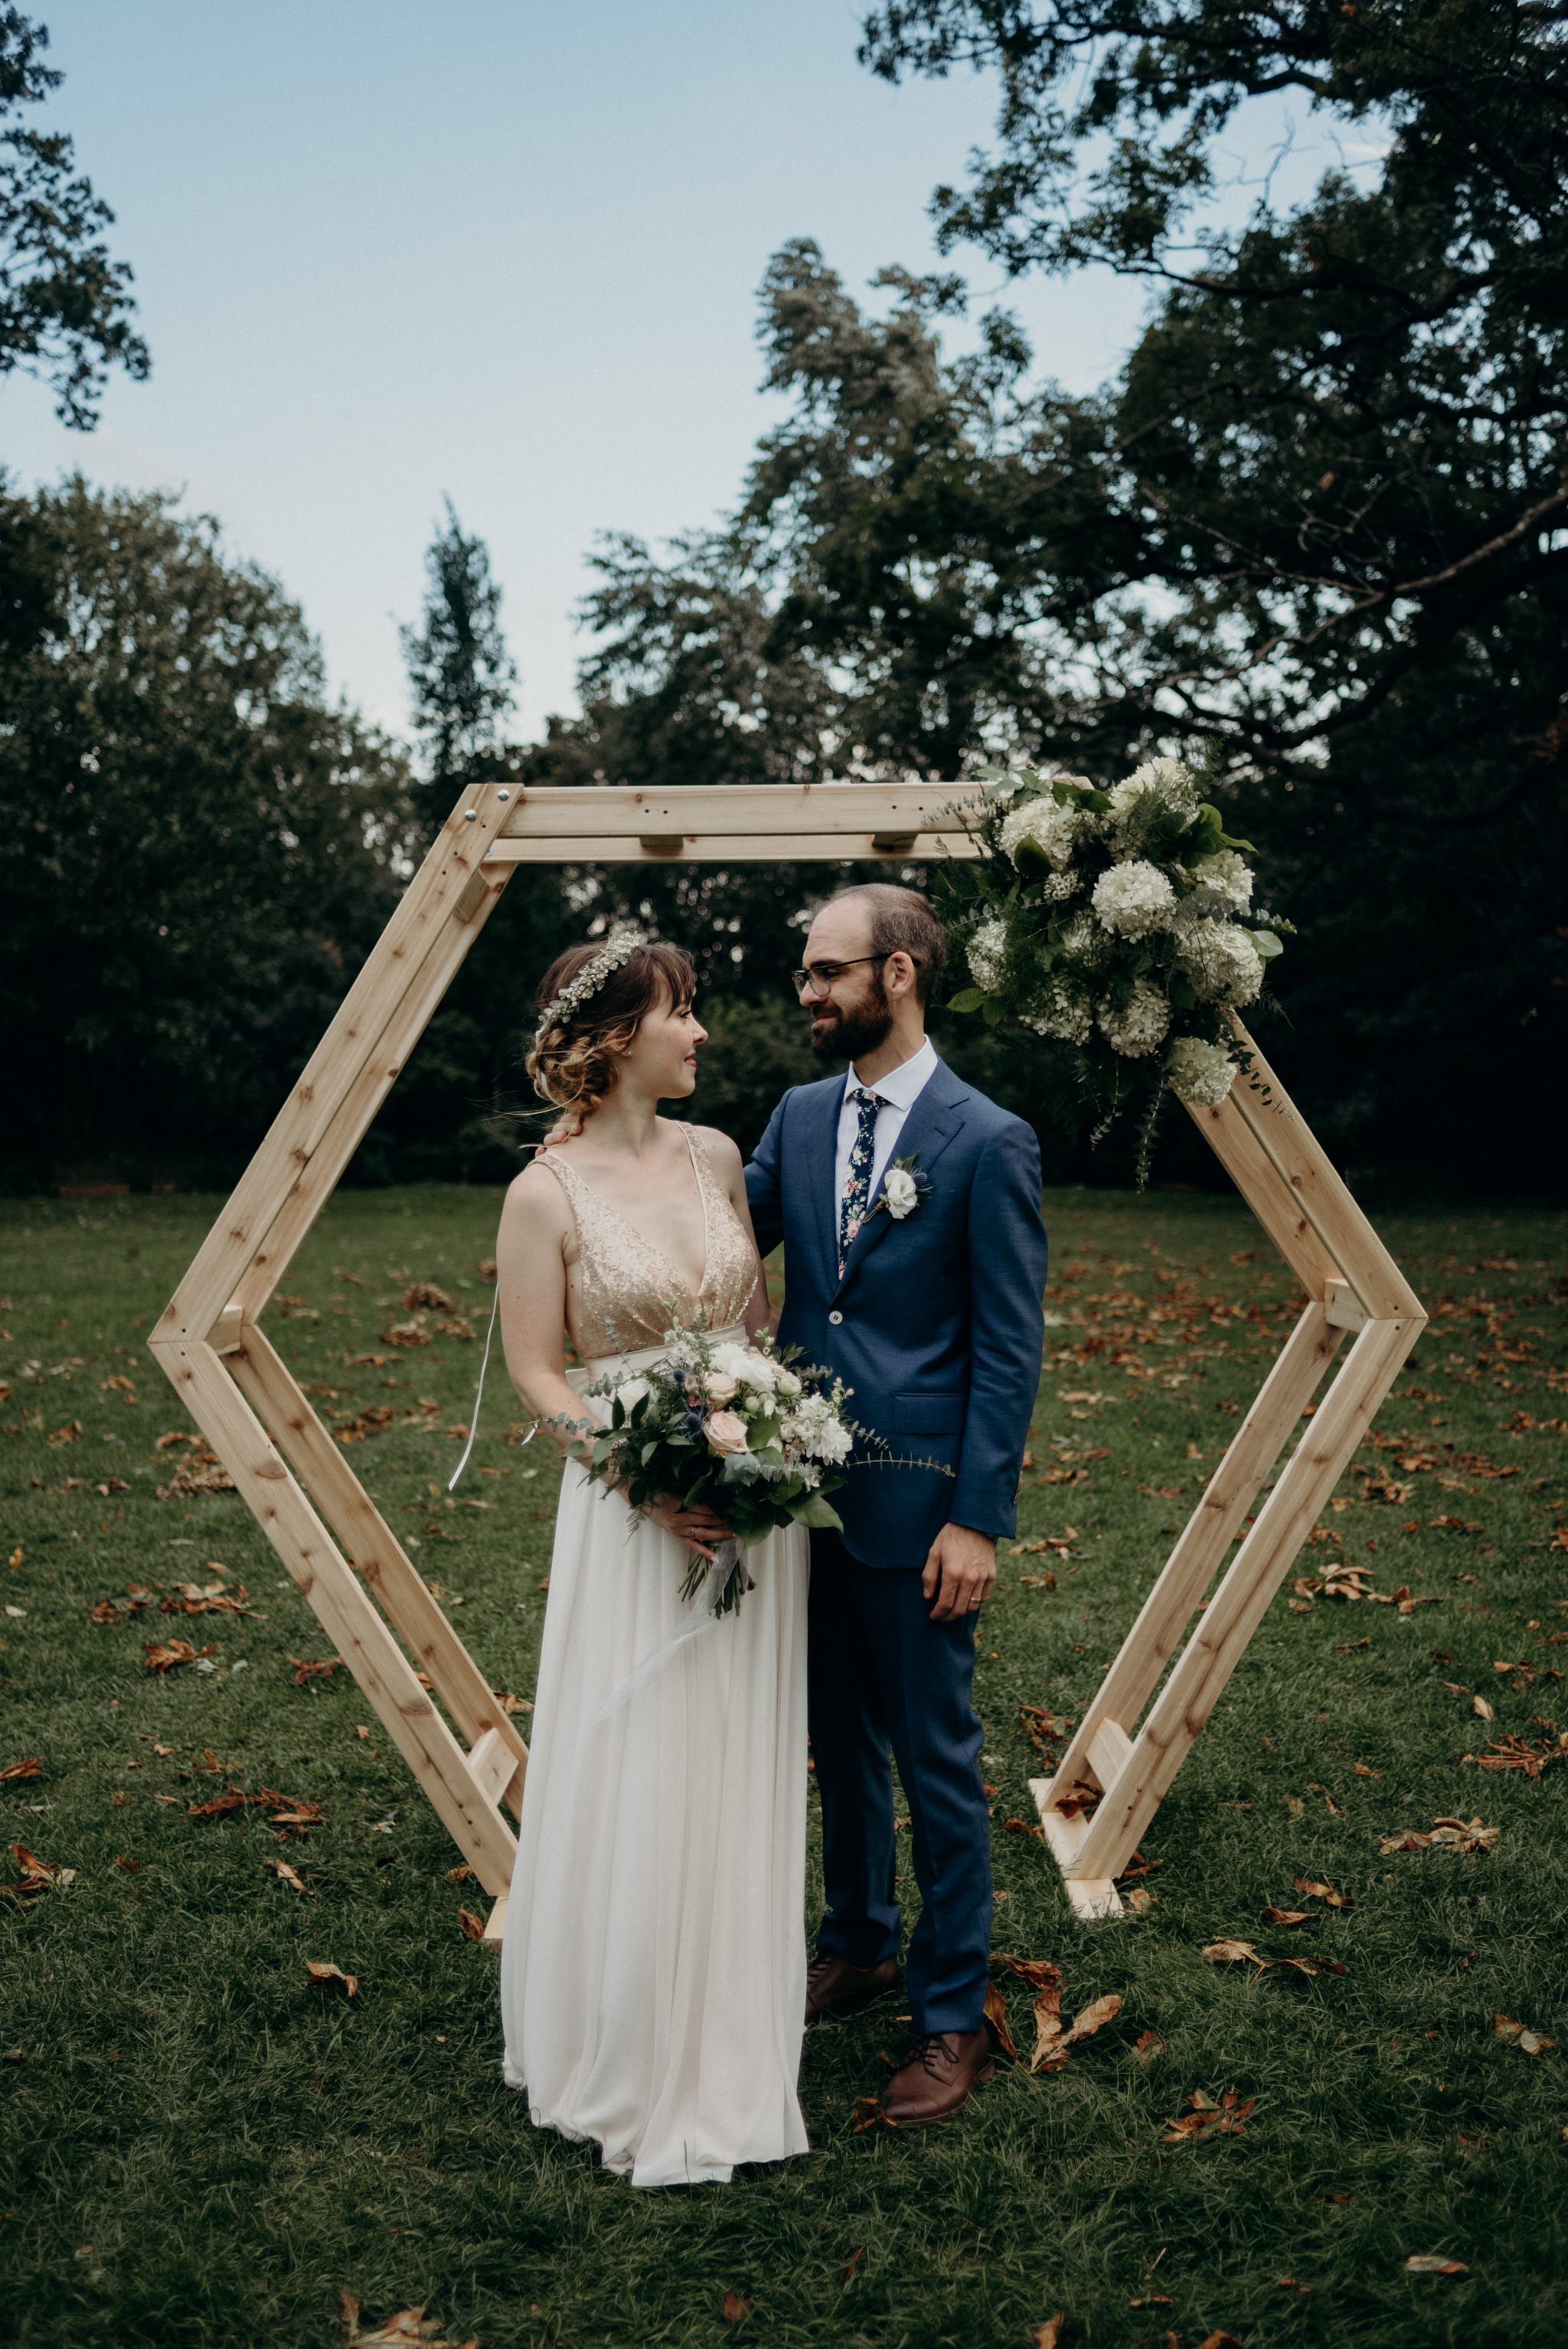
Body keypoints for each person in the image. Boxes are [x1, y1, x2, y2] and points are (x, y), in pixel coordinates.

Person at [494, 934, 810, 2187]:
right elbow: (536, 1368)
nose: (703, 1035)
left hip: (745, 1508)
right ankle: (622, 2038)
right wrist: (641, 1473)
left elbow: (754, 1326)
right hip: (632, 1513)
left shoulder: (716, 1156)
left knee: (732, 1756)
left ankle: (731, 2037)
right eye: (685, 1013)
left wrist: (768, 1443)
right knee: (641, 1755)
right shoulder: (541, 1194)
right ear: (620, 1033)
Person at [746, 884, 1048, 2127]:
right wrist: (605, 1158)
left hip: (923, 1507)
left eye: (827, 973)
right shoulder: (799, 1115)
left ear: (901, 973)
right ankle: (860, 1938)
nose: (808, 994)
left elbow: (1007, 1347)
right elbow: (721, 1237)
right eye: (808, 975)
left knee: (935, 1763)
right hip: (792, 1501)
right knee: (837, 1747)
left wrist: (976, 1518)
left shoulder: (989, 1140)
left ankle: (949, 2013)